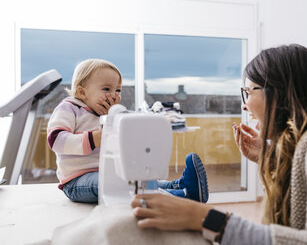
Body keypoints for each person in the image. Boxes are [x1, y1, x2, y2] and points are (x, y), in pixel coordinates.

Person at [131, 44, 307, 244]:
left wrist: (207, 218)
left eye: (248, 91)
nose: (245, 105)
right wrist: (269, 157)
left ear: (279, 92)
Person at [47, 59, 209, 204]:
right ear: (82, 92)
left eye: (118, 90)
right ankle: (181, 197)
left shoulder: (114, 112)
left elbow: (132, 122)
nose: (114, 95)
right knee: (123, 184)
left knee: (141, 180)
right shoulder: (70, 108)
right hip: (77, 180)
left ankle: (181, 187)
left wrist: (161, 119)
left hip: (111, 172)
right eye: (106, 89)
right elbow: (56, 140)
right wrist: (93, 139)